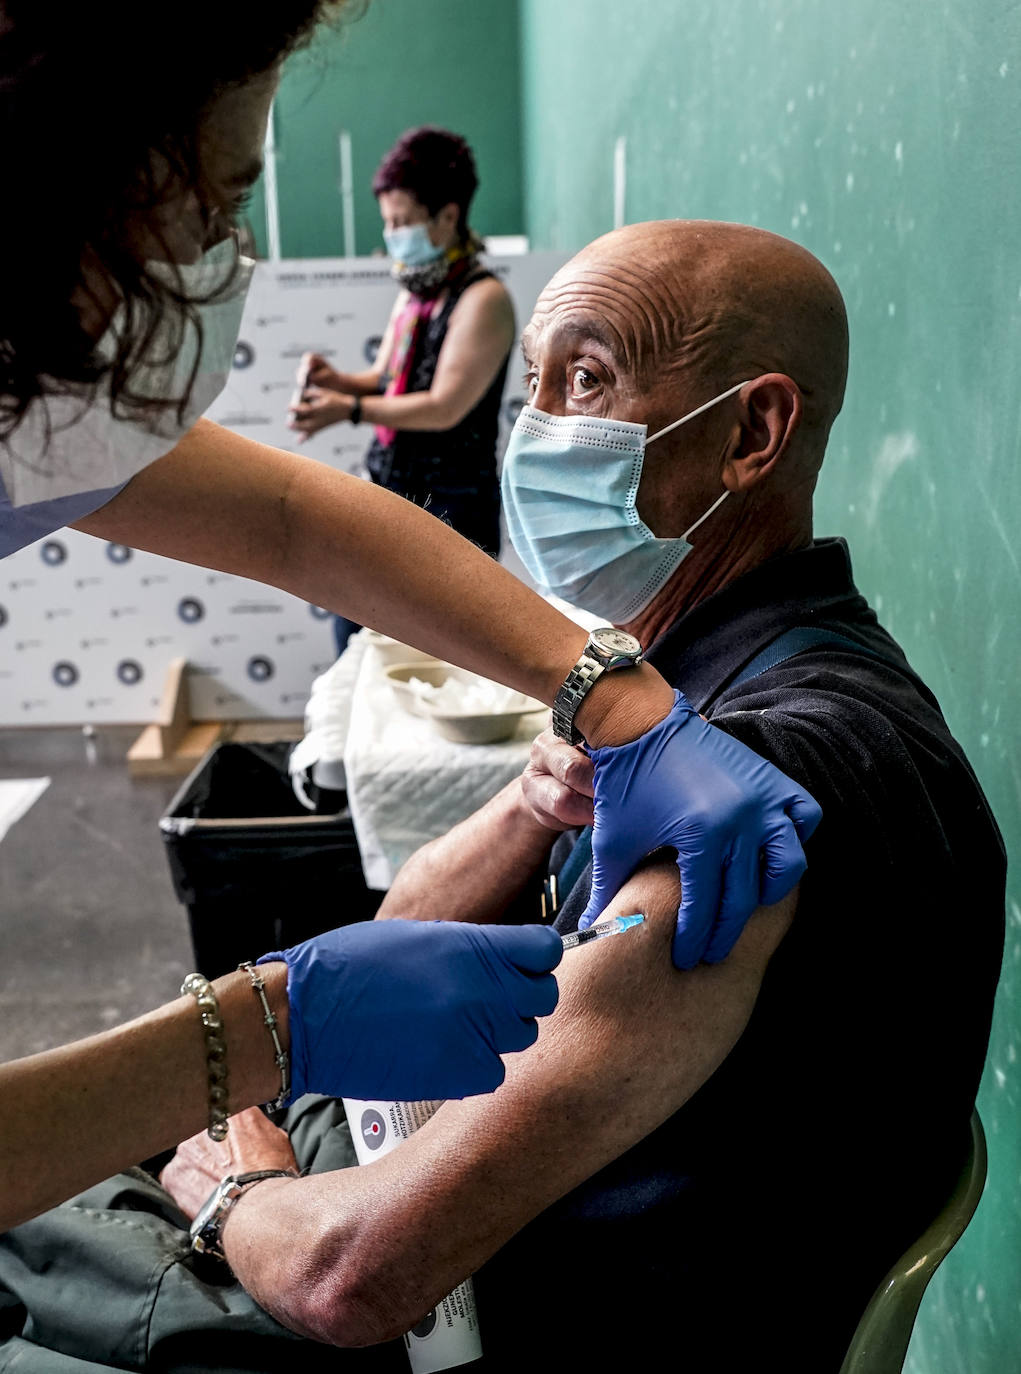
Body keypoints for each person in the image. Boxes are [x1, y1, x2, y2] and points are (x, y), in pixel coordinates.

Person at [2, 218, 999, 1373]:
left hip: (508, 1315)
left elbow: (352, 1274)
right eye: (532, 386)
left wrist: (240, 1191)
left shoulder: (759, 792)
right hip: (478, 1227)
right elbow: (401, 922)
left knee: (47, 1233)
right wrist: (539, 793)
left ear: (751, 433)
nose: (536, 434)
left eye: (584, 380)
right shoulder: (720, 691)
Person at [0, 4, 821, 1234]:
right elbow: (350, 1273)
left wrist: (610, 692)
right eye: (217, 206)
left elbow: (292, 516)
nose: (233, 258)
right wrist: (245, 1042)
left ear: (755, 431)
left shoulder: (802, 733)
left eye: (586, 379)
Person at [287, 126, 513, 654]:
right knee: (354, 632)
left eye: (402, 222)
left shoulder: (484, 299)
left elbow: (442, 407)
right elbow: (387, 379)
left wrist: (349, 409)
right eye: (387, 222)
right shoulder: (415, 292)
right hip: (393, 488)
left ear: (448, 216)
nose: (391, 235)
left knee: (439, 654)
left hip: (451, 508)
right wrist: (335, 379)